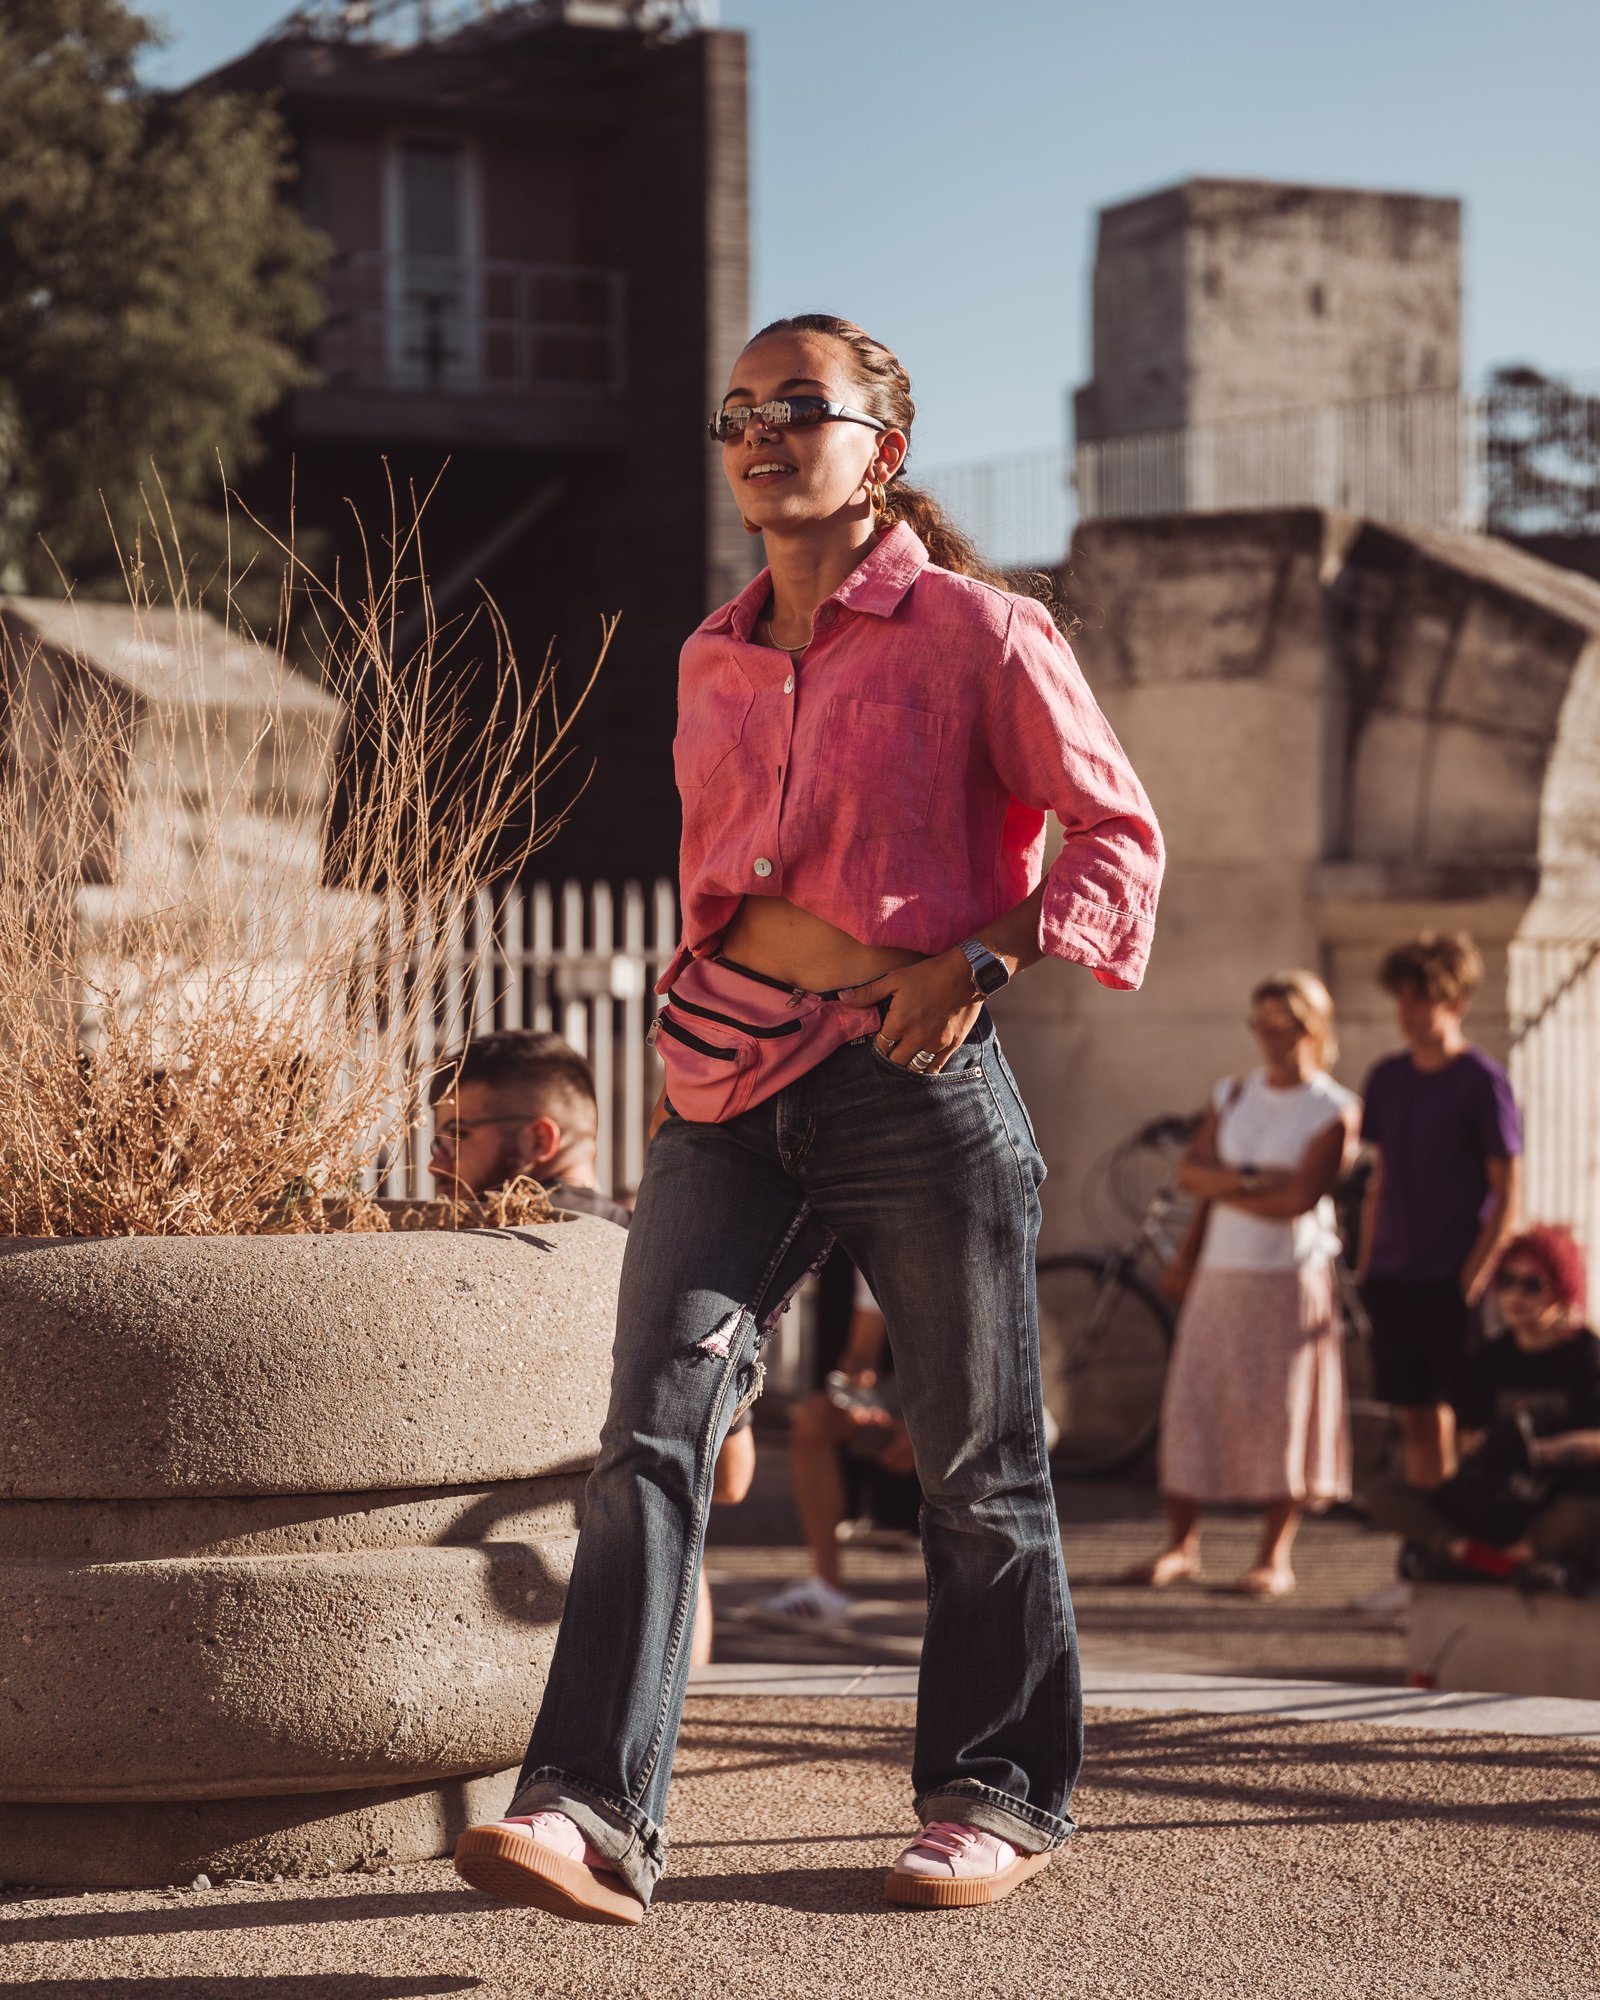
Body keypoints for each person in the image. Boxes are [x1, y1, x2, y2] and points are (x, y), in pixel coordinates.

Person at [450, 312, 1163, 1923]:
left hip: (915, 1080)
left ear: (883, 450)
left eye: (801, 407)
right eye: (739, 411)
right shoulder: (707, 653)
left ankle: (993, 1794)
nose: (762, 432)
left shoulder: (982, 632)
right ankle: (584, 1814)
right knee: (650, 1439)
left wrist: (980, 961)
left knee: (976, 1463)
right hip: (724, 1088)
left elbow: (1117, 836)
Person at [429, 1030, 756, 1658]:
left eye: (457, 1135)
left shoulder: (480, 1258)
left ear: (540, 1139)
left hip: (504, 1611)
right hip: (661, 1630)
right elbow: (734, 1477)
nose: (437, 1160)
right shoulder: (670, 1253)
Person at [1130, 972, 1360, 1598]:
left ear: (1311, 1028)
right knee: (1193, 1400)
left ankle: (1273, 1555)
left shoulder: (1333, 1107)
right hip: (1220, 1271)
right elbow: (1190, 1173)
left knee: (1282, 1409)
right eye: (1259, 1023)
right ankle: (1181, 1545)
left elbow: (1300, 1197)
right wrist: (1254, 1182)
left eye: (1280, 1024)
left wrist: (1231, 1181)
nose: (1267, 1036)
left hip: (1289, 1277)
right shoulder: (1232, 1093)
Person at [1357, 934, 1522, 1489]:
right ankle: (1431, 1531)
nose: (1407, 1013)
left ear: (1454, 1002)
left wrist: (1473, 1276)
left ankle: (1471, 1528)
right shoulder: (1386, 1078)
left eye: (1420, 999)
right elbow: (1379, 1179)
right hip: (1393, 1275)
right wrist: (1367, 1265)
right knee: (1415, 1415)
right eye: (1402, 999)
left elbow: (1508, 1189)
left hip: (1452, 1276)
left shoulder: (1482, 1082)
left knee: (1471, 1417)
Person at [1370, 1226, 1600, 1588]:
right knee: (1385, 1497)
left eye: (1532, 1285)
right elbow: (1469, 1438)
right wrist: (1487, 1454)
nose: (1515, 1296)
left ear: (1561, 1289)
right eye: (1506, 1282)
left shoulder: (1588, 1355)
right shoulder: (1490, 1358)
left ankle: (1499, 1561)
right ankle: (1478, 1556)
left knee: (1586, 1517)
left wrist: (1537, 1453)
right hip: (1496, 1500)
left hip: (1554, 1501)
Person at [746, 1268, 920, 1630]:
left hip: (985, 1400)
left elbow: (992, 1355)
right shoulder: (871, 1248)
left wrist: (929, 1422)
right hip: (919, 1396)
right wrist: (853, 1394)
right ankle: (827, 1592)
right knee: (815, 1420)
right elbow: (861, 1358)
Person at [428, 1028, 632, 1227]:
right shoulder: (647, 1240)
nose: (435, 1165)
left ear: (538, 1140)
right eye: (439, 1143)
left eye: (458, 1134)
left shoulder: (501, 1232)